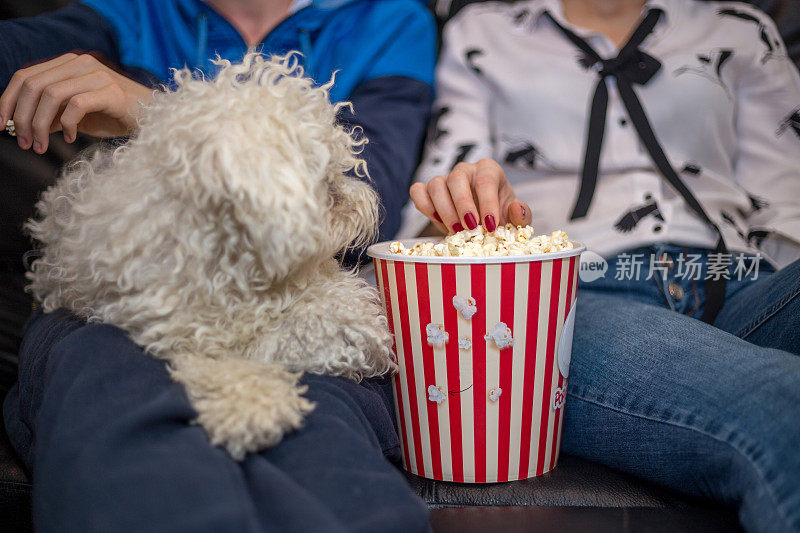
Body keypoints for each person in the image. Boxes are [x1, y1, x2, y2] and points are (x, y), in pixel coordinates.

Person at [1, 0, 437, 530]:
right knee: (101, 371)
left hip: (298, 293)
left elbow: (368, 203)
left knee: (315, 421)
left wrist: (157, 112)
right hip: (117, 303)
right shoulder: (135, 11)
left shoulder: (386, 20)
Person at [402, 0, 800, 531]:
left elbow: (788, 201)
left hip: (747, 277)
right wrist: (465, 201)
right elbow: (429, 214)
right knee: (780, 409)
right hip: (580, 289)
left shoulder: (741, 27)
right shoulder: (483, 31)